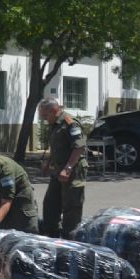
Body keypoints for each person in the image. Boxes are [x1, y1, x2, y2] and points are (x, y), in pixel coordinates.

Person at [38, 97, 87, 238]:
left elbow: (79, 147)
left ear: (54, 110)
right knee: (50, 203)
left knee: (71, 206)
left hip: (73, 170)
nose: (44, 119)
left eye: (45, 115)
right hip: (58, 169)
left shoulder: (70, 123)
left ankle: (69, 238)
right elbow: (56, 147)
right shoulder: (54, 124)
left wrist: (68, 168)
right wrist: (48, 163)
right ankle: (51, 234)